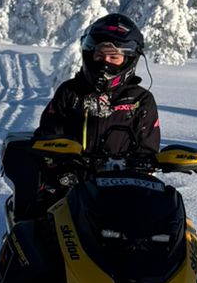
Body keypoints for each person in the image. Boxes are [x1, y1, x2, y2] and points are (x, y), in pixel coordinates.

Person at [15, 14, 161, 212]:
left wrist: (138, 171)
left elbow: (148, 150)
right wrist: (61, 169)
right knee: (37, 226)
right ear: (89, 54)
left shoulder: (141, 101)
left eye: (113, 57)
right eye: (99, 55)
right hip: (69, 183)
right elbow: (47, 135)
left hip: (122, 187)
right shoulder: (71, 92)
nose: (104, 63)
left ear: (128, 59)